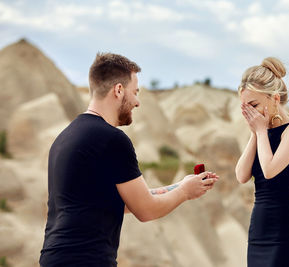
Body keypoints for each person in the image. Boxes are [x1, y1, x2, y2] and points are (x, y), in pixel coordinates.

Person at [39, 53, 219, 267]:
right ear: (118, 90)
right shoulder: (112, 139)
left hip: (55, 257)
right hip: (87, 259)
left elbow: (118, 202)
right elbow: (146, 210)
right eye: (135, 92)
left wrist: (181, 184)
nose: (137, 102)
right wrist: (185, 193)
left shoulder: (66, 137)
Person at [235, 57, 289, 267]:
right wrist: (255, 133)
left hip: (285, 236)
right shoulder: (261, 134)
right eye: (245, 107)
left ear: (275, 99)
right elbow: (241, 176)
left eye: (254, 104)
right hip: (258, 234)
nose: (250, 112)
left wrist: (260, 131)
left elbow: (269, 170)